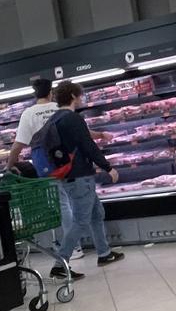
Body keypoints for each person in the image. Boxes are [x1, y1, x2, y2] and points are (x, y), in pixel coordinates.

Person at [48, 81, 125, 279]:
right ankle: (60, 265)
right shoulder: (73, 119)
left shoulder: (55, 118)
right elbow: (88, 146)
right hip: (79, 176)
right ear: (73, 96)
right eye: (79, 95)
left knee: (96, 213)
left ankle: (104, 253)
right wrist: (108, 167)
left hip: (68, 176)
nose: (81, 98)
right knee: (81, 221)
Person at [6, 78, 83, 259]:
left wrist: (9, 166)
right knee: (74, 200)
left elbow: (18, 145)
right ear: (51, 93)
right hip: (70, 159)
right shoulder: (60, 108)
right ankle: (79, 244)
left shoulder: (29, 113)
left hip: (48, 164)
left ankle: (73, 247)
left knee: (62, 204)